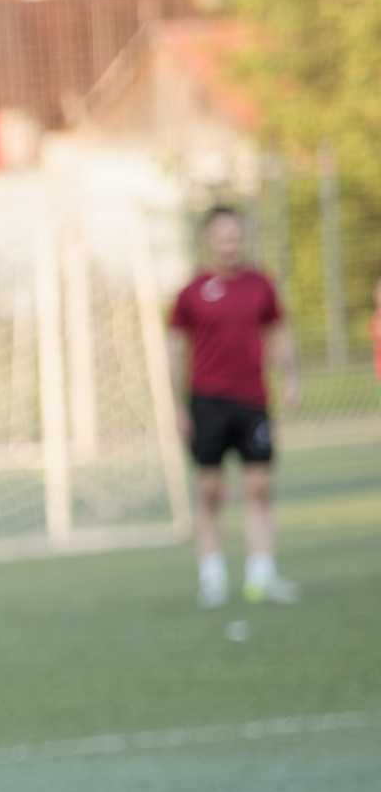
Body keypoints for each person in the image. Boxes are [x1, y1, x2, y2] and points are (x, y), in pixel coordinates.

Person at [170, 206, 300, 608]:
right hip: (206, 401)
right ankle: (212, 579)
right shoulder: (191, 292)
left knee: (259, 487)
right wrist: (177, 406)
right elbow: (175, 349)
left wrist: (290, 377)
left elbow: (277, 331)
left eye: (236, 236)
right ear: (208, 239)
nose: (231, 243)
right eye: (224, 236)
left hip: (252, 399)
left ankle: (262, 577)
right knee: (209, 491)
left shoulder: (260, 284)